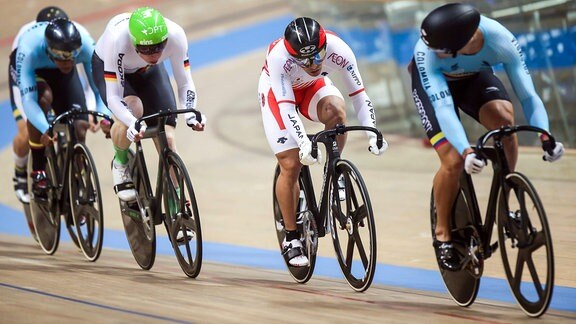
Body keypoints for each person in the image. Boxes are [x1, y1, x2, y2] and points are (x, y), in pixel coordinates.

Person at [408, 3, 564, 271]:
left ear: (466, 41)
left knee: (505, 123)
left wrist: (545, 135)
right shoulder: (427, 54)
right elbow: (444, 109)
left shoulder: (500, 39)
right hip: (433, 87)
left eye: (441, 50)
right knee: (453, 160)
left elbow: (528, 95)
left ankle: (505, 196)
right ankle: (442, 231)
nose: (435, 53)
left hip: (474, 78)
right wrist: (466, 151)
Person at [259, 17, 388, 267]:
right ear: (293, 55)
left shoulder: (339, 49)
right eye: (305, 60)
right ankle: (291, 237)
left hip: (311, 88)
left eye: (318, 56)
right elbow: (286, 108)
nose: (314, 64)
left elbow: (359, 96)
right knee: (291, 163)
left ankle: (336, 169)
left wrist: (373, 132)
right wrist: (303, 144)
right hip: (278, 93)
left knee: (337, 113)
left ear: (324, 46)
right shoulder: (279, 58)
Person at [91, 7, 205, 241]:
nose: (154, 53)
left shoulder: (175, 35)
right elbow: (113, 97)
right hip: (110, 68)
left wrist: (191, 115)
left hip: (148, 72)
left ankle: (178, 210)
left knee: (168, 138)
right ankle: (120, 163)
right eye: (146, 49)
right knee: (133, 109)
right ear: (134, 42)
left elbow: (185, 83)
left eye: (158, 47)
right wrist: (132, 122)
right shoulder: (117, 40)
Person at [9, 6, 102, 203]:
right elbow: (28, 100)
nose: (68, 60)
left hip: (61, 74)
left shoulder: (83, 44)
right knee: (30, 127)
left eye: (71, 56)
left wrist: (96, 112)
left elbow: (97, 88)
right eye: (62, 56)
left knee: (80, 125)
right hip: (33, 72)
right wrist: (44, 128)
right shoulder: (28, 47)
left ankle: (77, 174)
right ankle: (34, 171)